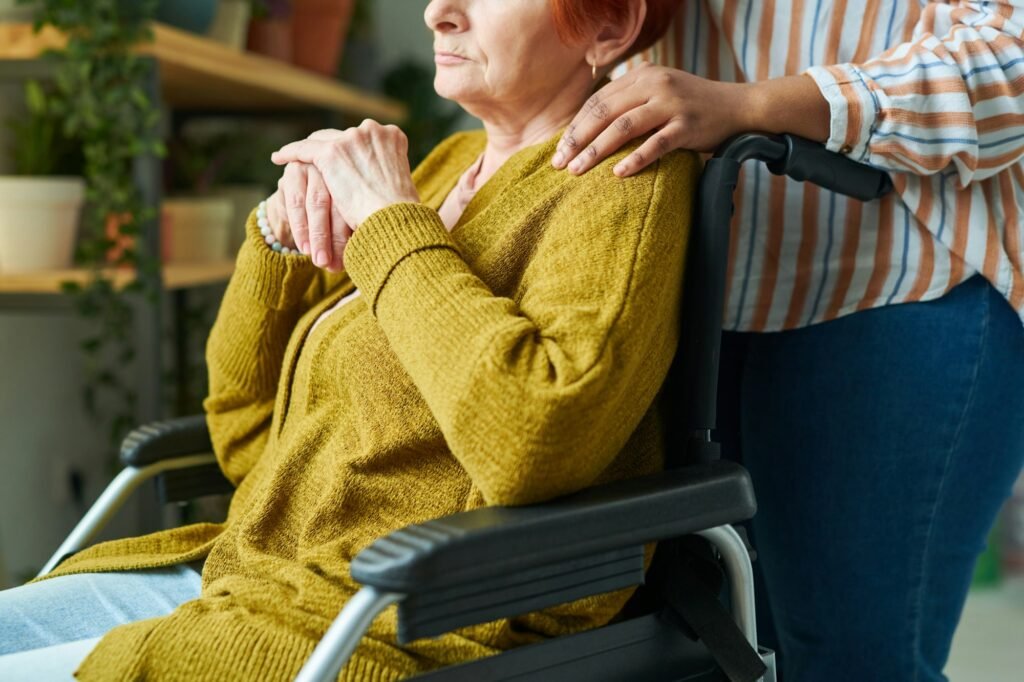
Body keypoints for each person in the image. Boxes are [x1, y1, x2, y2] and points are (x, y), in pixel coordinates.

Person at [0, 0, 694, 680]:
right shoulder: (448, 166)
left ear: (609, 25)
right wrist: (278, 236)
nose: (439, 13)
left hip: (394, 616)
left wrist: (389, 216)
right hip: (253, 573)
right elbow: (244, 436)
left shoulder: (622, 178)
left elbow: (537, 436)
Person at [553, 2, 1024, 681]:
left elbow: (1011, 54)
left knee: (850, 661)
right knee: (728, 653)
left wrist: (756, 105)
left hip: (903, 279)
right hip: (704, 293)